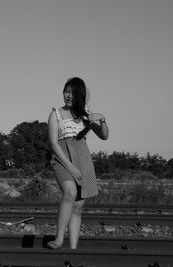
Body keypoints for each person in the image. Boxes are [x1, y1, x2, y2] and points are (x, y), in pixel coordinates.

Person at [47, 77, 109, 249]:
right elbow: (53, 143)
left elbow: (104, 136)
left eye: (73, 93)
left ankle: (73, 249)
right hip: (62, 158)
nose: (69, 96)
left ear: (80, 96)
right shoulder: (56, 114)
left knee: (78, 206)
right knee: (70, 192)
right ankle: (59, 239)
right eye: (67, 91)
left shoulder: (84, 114)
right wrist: (70, 166)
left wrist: (102, 120)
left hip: (82, 156)